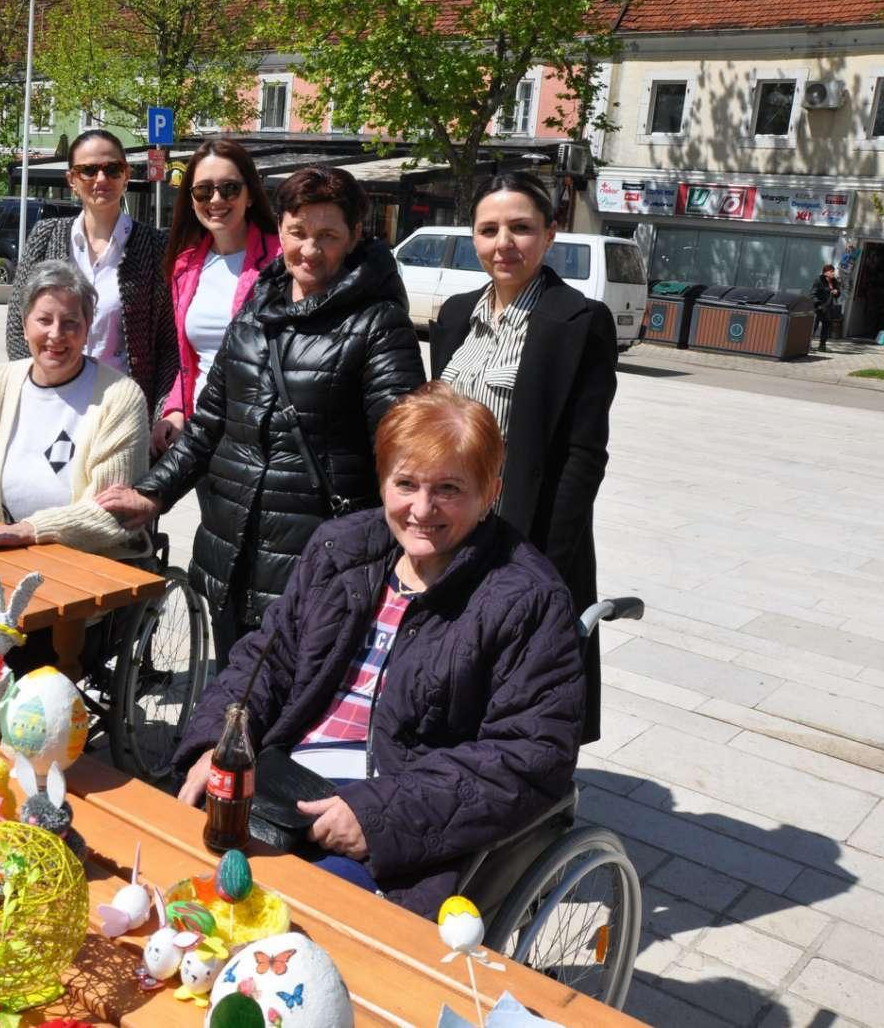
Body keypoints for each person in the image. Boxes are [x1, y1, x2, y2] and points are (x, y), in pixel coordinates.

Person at [173, 383, 587, 916]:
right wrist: (218, 744)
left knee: (283, 933)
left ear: (490, 493)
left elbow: (527, 757)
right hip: (282, 780)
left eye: (449, 489)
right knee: (172, 885)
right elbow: (263, 659)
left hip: (399, 819)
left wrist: (375, 815)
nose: (422, 508)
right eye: (406, 484)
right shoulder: (341, 548)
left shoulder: (526, 597)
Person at [98, 165, 425, 665]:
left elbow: (402, 448)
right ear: (282, 229)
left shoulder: (379, 325)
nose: (309, 250)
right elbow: (209, 424)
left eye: (328, 235)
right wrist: (153, 492)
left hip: (319, 565)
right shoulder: (256, 309)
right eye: (297, 232)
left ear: (356, 236)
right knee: (233, 696)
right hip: (233, 557)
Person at [430, 172, 616, 739]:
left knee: (522, 678)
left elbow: (584, 456)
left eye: (521, 228)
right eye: (488, 230)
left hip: (524, 533)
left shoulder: (577, 321)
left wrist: (545, 565)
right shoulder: (457, 313)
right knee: (448, 669)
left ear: (550, 233)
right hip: (447, 528)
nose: (503, 243)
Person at [0, 258, 150, 560]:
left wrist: (29, 530)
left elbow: (111, 513)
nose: (56, 334)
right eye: (44, 320)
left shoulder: (120, 397)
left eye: (71, 322)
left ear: (87, 330)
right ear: (24, 324)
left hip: (85, 564)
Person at [6, 129, 177, 421]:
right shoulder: (45, 237)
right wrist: (39, 394)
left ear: (126, 175)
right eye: (88, 171)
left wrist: (161, 413)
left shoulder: (155, 246)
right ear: (72, 180)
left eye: (112, 169)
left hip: (123, 411)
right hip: (53, 406)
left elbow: (168, 346)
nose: (101, 179)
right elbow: (18, 329)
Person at [153, 139, 280, 455]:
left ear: (250, 194)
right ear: (191, 199)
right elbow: (186, 359)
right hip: (202, 435)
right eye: (204, 191)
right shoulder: (184, 266)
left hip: (264, 434)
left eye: (230, 188)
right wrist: (175, 410)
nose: (216, 199)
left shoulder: (282, 258)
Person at [811, 262, 840, 351]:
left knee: (826, 327)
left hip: (829, 307)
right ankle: (807, 344)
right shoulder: (818, 280)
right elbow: (812, 294)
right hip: (819, 307)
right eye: (831, 271)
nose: (833, 273)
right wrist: (818, 304)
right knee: (813, 327)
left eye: (833, 271)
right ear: (825, 272)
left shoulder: (834, 281)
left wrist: (837, 292)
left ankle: (822, 346)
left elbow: (838, 293)